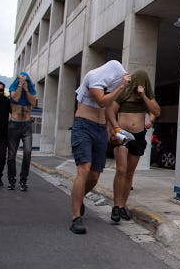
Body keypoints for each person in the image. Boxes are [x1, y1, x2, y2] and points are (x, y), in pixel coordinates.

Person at [69, 60, 130, 234]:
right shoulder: (94, 77)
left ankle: (78, 197)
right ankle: (76, 218)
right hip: (83, 126)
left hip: (100, 129)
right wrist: (120, 87)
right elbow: (102, 101)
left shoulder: (108, 85)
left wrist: (116, 128)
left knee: (95, 175)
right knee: (84, 168)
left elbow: (108, 107)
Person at [106, 70, 160, 222]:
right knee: (121, 170)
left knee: (129, 173)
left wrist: (143, 96)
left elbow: (156, 111)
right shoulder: (124, 93)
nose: (139, 84)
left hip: (138, 136)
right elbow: (111, 112)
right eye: (137, 81)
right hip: (122, 135)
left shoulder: (147, 97)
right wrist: (112, 130)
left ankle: (122, 206)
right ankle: (116, 206)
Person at [6, 72, 38, 191]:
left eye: (25, 80)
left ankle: (23, 181)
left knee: (28, 153)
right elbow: (15, 98)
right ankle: (11, 181)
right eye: (21, 80)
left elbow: (34, 103)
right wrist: (20, 85)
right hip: (14, 125)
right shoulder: (13, 88)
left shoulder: (31, 90)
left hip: (26, 125)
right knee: (11, 155)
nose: (24, 82)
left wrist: (26, 89)